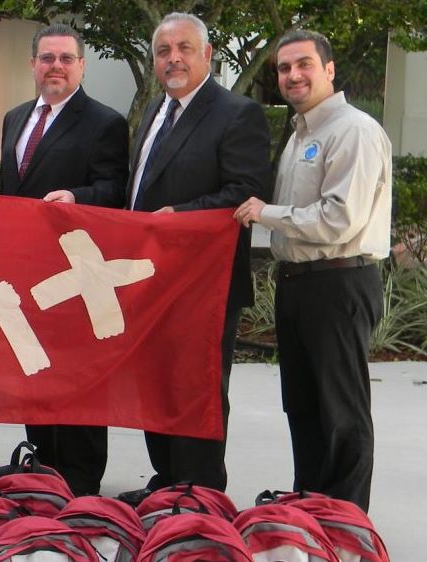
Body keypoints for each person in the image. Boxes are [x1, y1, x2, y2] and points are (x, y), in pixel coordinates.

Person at [117, 12, 271, 506]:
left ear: (207, 54)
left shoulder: (236, 112)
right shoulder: (155, 111)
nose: (173, 58)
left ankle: (200, 491)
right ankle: (167, 479)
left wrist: (178, 216)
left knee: (195, 388)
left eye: (184, 48)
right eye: (164, 51)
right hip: (150, 279)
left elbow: (245, 192)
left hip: (203, 283)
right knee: (156, 384)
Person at [234, 30, 391, 512]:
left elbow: (340, 218)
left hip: (339, 281)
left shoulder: (353, 131)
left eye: (303, 64)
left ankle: (345, 523)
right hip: (299, 284)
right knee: (303, 408)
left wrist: (265, 213)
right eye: (283, 68)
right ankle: (311, 510)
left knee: (340, 412)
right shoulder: (302, 133)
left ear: (329, 69)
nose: (292, 75)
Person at [0, 23, 129, 496]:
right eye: (47, 58)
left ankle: (80, 477)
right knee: (35, 370)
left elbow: (116, 190)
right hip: (27, 271)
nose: (56, 66)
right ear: (33, 63)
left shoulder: (105, 121)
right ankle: (43, 463)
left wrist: (77, 196)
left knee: (79, 376)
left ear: (81, 65)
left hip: (76, 272)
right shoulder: (15, 118)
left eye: (66, 58)